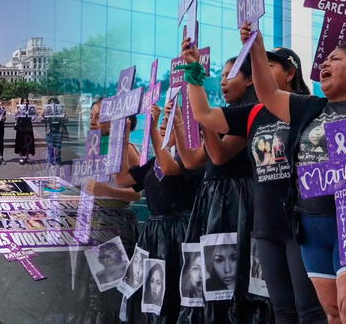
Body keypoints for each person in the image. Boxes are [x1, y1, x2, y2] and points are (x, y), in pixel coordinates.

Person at [243, 21, 346, 323]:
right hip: (312, 224)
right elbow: (267, 93)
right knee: (334, 314)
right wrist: (256, 46)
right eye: (324, 61)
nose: (325, 63)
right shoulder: (308, 107)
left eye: (335, 59)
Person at [184, 38, 326, 322]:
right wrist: (194, 74)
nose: (261, 69)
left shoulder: (313, 108)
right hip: (266, 224)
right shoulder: (254, 113)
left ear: (291, 72)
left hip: (304, 223)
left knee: (309, 309)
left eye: (270, 65)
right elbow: (205, 115)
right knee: (282, 309)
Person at [174, 51, 273, 322]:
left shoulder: (252, 115)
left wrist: (204, 118)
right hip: (213, 200)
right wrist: (181, 127)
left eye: (230, 75)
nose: (223, 83)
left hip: (235, 201)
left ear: (251, 80)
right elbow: (193, 160)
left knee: (232, 283)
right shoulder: (227, 116)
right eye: (221, 77)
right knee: (208, 282)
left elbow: (219, 155)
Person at [114, 103, 204, 322]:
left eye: (170, 121)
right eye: (163, 122)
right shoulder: (155, 163)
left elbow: (169, 168)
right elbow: (123, 178)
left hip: (180, 235)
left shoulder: (193, 160)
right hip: (154, 235)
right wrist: (123, 136)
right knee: (152, 296)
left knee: (176, 295)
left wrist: (152, 129)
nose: (164, 125)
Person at [43, 97, 66, 165]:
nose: (53, 104)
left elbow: (65, 119)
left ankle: (58, 159)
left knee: (58, 146)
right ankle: (51, 161)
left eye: (54, 102)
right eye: (51, 103)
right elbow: (42, 119)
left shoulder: (60, 110)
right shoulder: (47, 110)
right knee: (50, 146)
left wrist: (64, 116)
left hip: (58, 129)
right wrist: (44, 115)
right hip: (49, 130)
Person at [14, 97, 36, 164]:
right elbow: (15, 118)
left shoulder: (30, 108)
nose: (25, 103)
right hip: (21, 127)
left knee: (28, 142)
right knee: (20, 142)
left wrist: (35, 114)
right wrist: (16, 113)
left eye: (26, 101)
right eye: (24, 101)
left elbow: (33, 119)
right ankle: (21, 157)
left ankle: (27, 157)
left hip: (28, 127)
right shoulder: (18, 108)